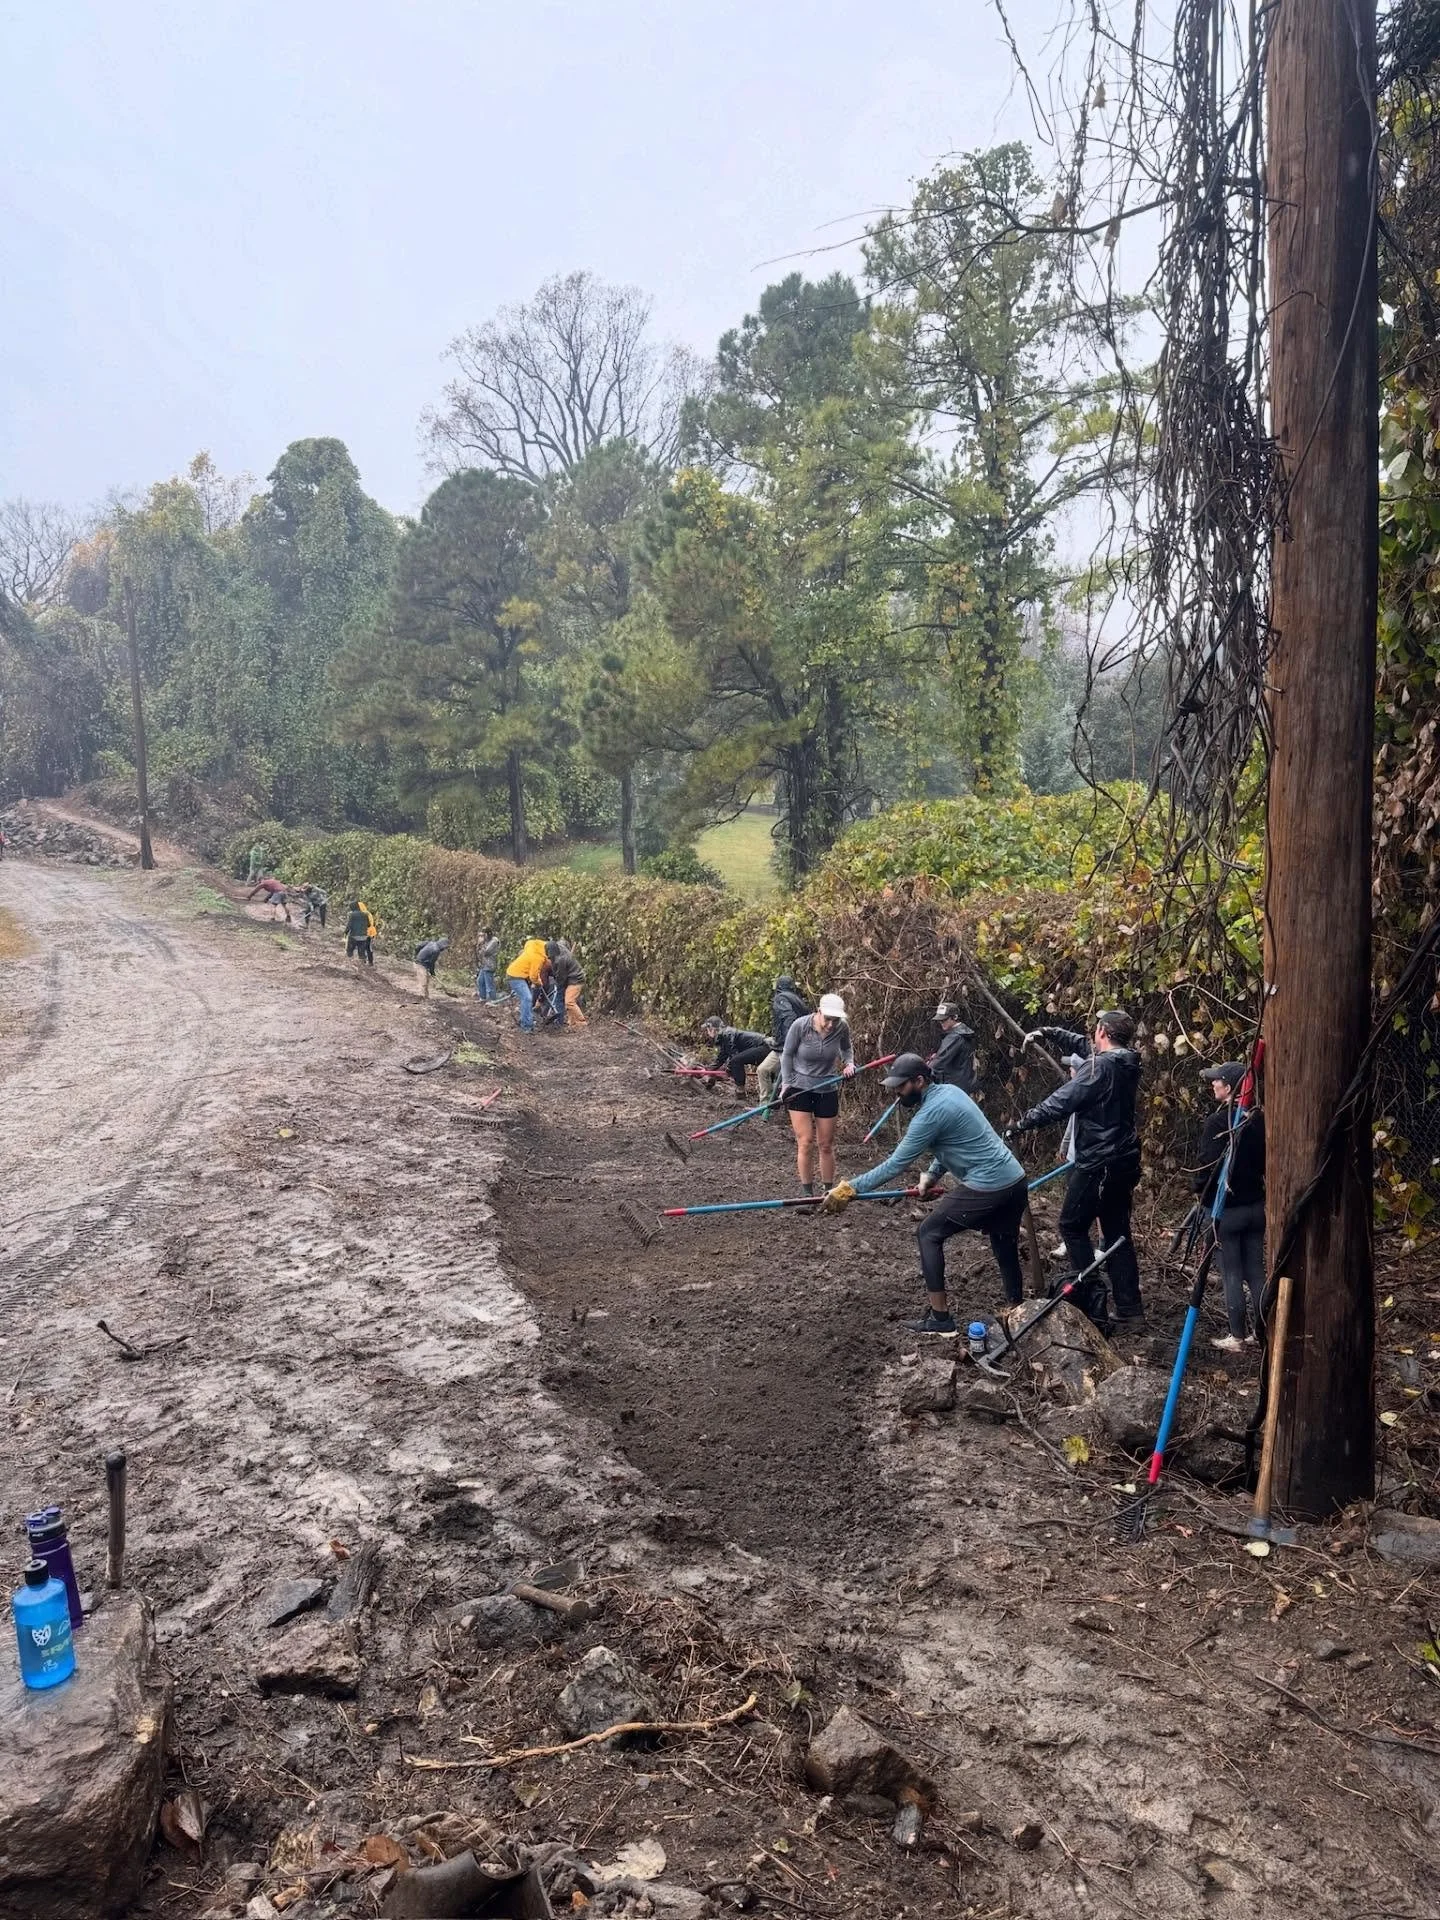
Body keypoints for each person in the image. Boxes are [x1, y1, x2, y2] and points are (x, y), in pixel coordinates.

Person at [824, 1053, 1029, 1335]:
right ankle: (1018, 1311)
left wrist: (849, 1189)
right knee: (1003, 1243)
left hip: (989, 1185)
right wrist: (931, 1176)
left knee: (929, 1234)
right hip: (1015, 1181)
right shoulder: (951, 1093)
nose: (896, 1093)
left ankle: (940, 1319)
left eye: (901, 1086)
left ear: (919, 1081)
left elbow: (895, 1164)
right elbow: (951, 1142)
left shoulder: (929, 1115)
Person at [1011, 1010, 1145, 1331]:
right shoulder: (1125, 1061)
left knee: (1071, 1226)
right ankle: (1130, 1310)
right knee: (1116, 1234)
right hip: (1123, 1161)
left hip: (1100, 1163)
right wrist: (1050, 1032)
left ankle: (1091, 1298)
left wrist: (1022, 1123)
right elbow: (1086, 1048)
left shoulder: (1099, 1069)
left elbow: (1061, 1102)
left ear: (1102, 1031)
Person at [1193, 1061, 1266, 1352]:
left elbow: (1207, 1166)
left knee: (1231, 1272)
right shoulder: (1257, 1119)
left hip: (1227, 1211)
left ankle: (1237, 1336)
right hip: (1255, 1207)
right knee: (1256, 1271)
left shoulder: (1218, 1122)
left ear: (1230, 1087)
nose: (1213, 1084)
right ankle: (1263, 1332)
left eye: (1217, 1080)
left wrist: (1199, 1191)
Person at [780, 993, 856, 1195]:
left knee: (826, 1144)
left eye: (836, 1020)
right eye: (828, 1019)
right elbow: (787, 1055)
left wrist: (849, 1064)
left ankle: (828, 1192)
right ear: (819, 1012)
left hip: (827, 1088)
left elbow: (847, 1049)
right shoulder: (800, 1026)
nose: (831, 1024)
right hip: (799, 1089)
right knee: (805, 1142)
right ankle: (807, 1193)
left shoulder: (841, 1028)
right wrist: (786, 1084)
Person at [758, 975, 811, 1107]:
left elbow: (789, 1017)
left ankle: (773, 1105)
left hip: (787, 1046)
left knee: (787, 1079)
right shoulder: (798, 1000)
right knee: (763, 1070)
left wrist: (790, 1041)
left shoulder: (781, 998)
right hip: (784, 1045)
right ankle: (768, 1103)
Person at [700, 1016, 771, 1099]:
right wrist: (708, 1069)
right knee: (735, 1061)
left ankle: (740, 1091)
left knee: (736, 1061)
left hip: (764, 1047)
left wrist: (728, 1069)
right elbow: (721, 1057)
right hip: (763, 1047)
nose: (707, 1032)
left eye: (708, 1029)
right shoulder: (724, 1035)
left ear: (712, 1029)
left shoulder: (727, 1034)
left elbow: (734, 1056)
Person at [506, 936, 552, 1033]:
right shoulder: (538, 958)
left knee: (526, 999)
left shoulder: (534, 946)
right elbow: (533, 976)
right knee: (527, 998)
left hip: (517, 973)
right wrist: (538, 983)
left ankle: (525, 1020)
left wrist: (537, 981)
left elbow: (529, 942)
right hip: (515, 976)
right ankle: (526, 1026)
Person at [930, 1002, 978, 1093]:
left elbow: (939, 1063)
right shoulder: (965, 1033)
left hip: (952, 1088)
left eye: (944, 1019)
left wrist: (922, 1072)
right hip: (963, 1085)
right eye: (940, 1020)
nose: (941, 1022)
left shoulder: (955, 1037)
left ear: (954, 1017)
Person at [546, 940, 588, 1028]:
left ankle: (582, 1021)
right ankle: (572, 1023)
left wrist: (558, 986)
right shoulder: (559, 947)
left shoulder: (562, 959)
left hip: (576, 979)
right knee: (568, 1001)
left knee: (569, 1001)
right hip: (569, 978)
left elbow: (561, 977)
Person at [344, 900, 374, 966]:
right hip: (363, 937)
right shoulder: (365, 914)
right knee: (361, 952)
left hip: (353, 936)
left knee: (350, 950)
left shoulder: (352, 915)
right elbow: (369, 925)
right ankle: (362, 965)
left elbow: (349, 925)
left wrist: (345, 932)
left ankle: (349, 964)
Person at [476, 927, 500, 1002]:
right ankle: (483, 997)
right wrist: (479, 945)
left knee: (489, 984)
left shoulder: (494, 941)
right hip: (484, 965)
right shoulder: (487, 941)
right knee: (480, 981)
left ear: (487, 934)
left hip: (489, 965)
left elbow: (486, 952)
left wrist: (482, 944)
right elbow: (479, 953)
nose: (482, 937)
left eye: (483, 935)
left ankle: (493, 1000)